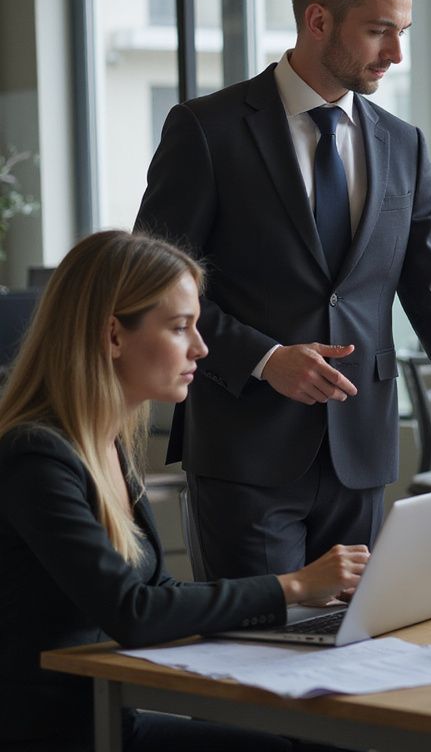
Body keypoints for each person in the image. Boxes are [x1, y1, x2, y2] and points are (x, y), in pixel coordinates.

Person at [135, 0, 431, 580]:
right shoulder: (207, 131)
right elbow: (150, 290)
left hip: (361, 458)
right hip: (245, 456)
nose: (396, 54)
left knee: (352, 649)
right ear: (318, 19)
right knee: (259, 662)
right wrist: (266, 360)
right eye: (381, 30)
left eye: (403, 32)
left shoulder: (401, 145)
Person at [0, 230, 368, 751]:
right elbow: (133, 611)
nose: (201, 347)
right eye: (180, 327)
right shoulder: (35, 456)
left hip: (106, 716)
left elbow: (159, 595)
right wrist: (294, 586)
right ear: (112, 336)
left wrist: (305, 598)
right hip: (55, 733)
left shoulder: (107, 447)